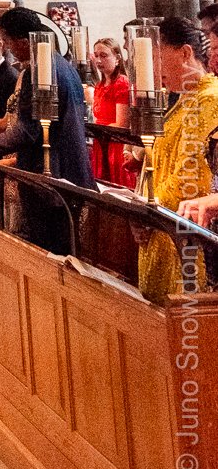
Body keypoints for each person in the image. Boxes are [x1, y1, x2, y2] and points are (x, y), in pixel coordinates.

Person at [0, 6, 95, 252]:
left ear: (21, 40)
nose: (7, 47)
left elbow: (27, 132)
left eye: (7, 41)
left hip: (48, 179)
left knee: (49, 254)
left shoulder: (39, 70)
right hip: (66, 174)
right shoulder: (62, 64)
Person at [138, 17, 218, 303]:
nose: (152, 69)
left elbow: (193, 176)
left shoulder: (209, 99)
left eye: (157, 57)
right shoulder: (184, 98)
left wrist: (145, 210)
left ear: (185, 53)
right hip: (163, 223)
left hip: (185, 229)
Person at [88, 37, 132, 187]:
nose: (99, 60)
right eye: (96, 55)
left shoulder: (121, 83)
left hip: (115, 144)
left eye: (104, 55)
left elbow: (121, 124)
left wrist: (95, 130)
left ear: (117, 58)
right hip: (101, 142)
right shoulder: (100, 85)